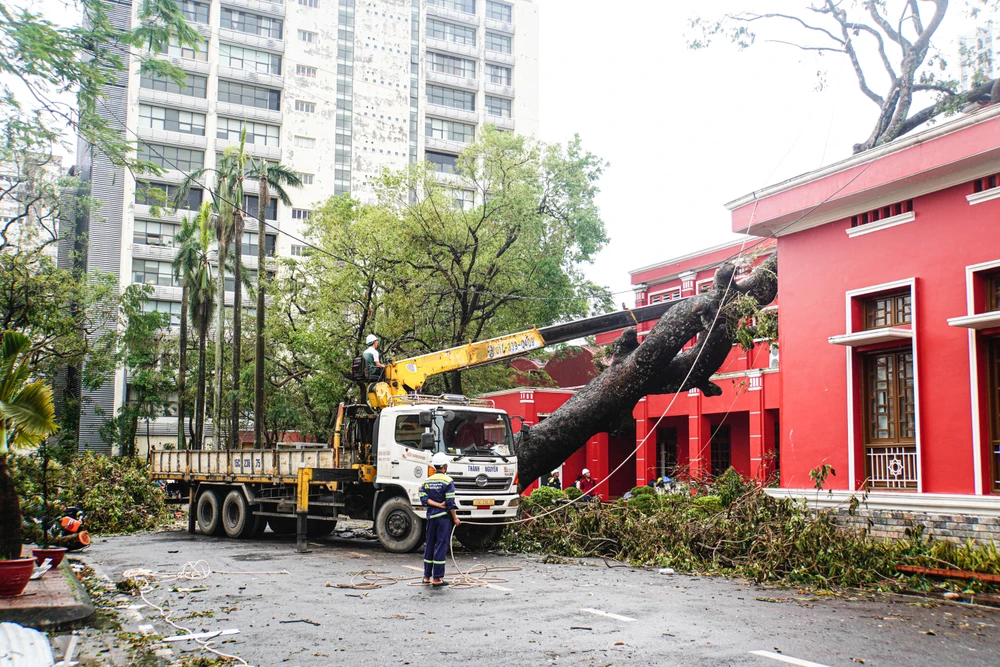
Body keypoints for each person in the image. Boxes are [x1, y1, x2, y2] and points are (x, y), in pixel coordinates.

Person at [419, 452, 460, 587]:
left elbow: (424, 500)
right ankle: (437, 578)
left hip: (431, 518)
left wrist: (436, 505)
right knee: (441, 546)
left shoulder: (427, 481)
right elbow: (449, 503)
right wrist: (455, 518)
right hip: (443, 519)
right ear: (444, 466)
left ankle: (426, 576)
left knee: (430, 544)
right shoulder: (448, 481)